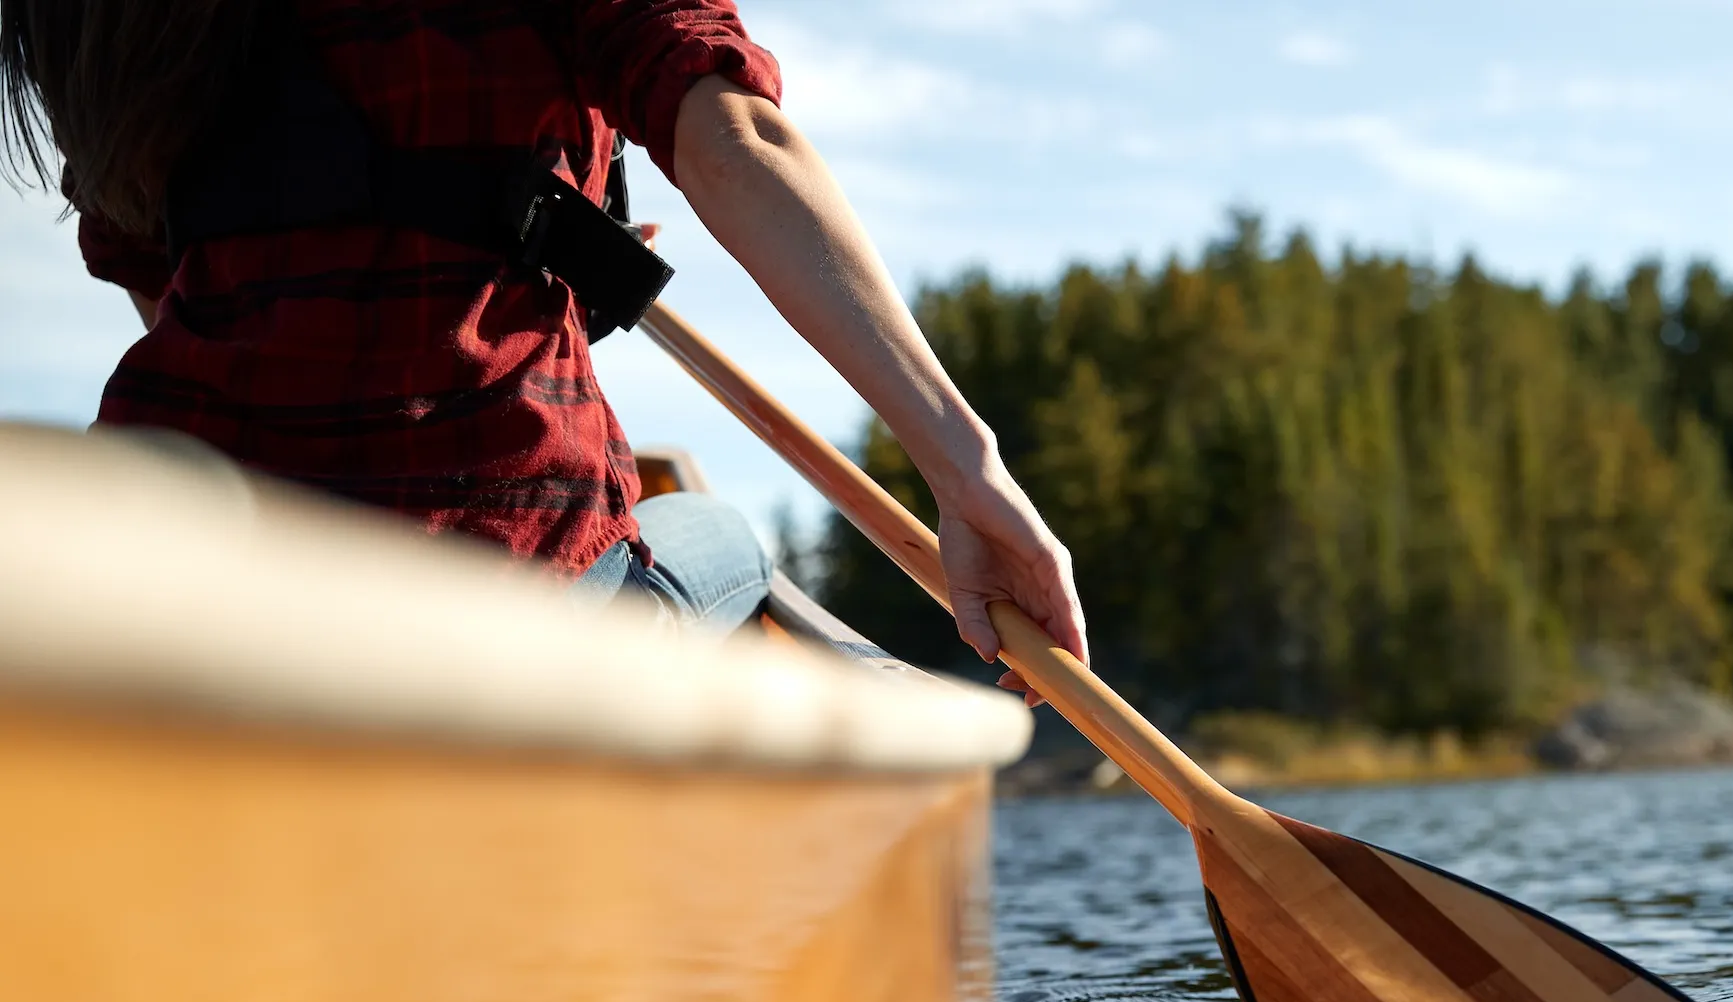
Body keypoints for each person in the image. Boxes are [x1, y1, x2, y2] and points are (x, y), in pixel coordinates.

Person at [0, 0, 1084, 692]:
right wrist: (969, 469)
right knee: (729, 536)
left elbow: (171, 280)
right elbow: (731, 130)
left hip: (191, 576)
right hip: (506, 577)